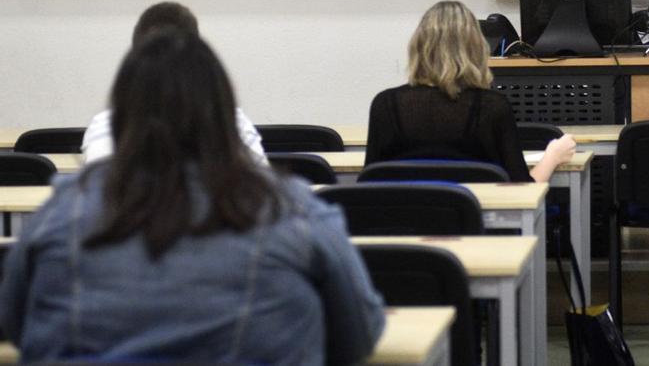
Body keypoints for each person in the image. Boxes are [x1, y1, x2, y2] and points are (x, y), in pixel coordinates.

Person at [0, 29, 385, 363]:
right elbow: (358, 334)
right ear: (223, 113)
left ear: (121, 115)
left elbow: (15, 324)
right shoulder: (293, 210)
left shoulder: (62, 211)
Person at [366, 0, 576, 181]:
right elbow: (521, 187)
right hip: (474, 222)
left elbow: (370, 183)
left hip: (399, 224)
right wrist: (552, 156)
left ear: (418, 47)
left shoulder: (385, 105)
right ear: (476, 48)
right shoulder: (492, 107)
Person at [81, 1, 266, 164]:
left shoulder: (104, 127)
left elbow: (91, 194)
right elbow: (268, 188)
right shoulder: (233, 123)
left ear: (134, 59)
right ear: (199, 55)